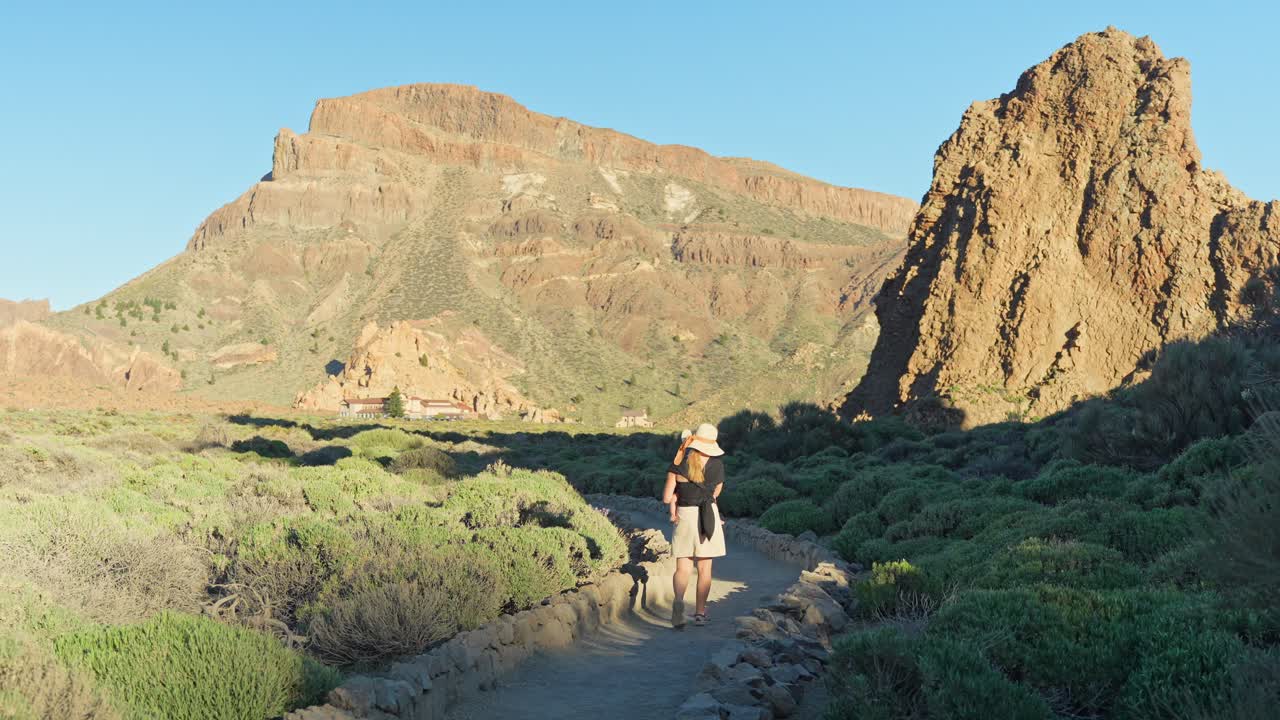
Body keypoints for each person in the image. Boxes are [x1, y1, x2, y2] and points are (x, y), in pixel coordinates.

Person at [662, 422, 726, 628]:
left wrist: (676, 495)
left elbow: (666, 498)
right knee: (705, 569)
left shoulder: (678, 463)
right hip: (708, 515)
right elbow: (715, 494)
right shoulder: (717, 465)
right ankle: (700, 613)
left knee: (683, 568)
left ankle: (678, 602)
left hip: (684, 516)